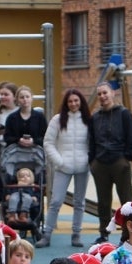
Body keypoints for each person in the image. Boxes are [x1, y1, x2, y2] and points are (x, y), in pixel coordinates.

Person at [40, 89, 91, 249]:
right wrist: (59, 161)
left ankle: (76, 234)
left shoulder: (88, 120)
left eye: (76, 101)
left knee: (79, 202)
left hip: (83, 166)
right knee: (55, 201)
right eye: (70, 101)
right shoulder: (57, 120)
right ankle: (47, 234)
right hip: (63, 166)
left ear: (81, 102)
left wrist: (89, 159)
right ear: (66, 103)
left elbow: (93, 142)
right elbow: (48, 142)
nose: (73, 104)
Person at [88, 82, 132, 243]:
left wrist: (126, 158)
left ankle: (127, 233)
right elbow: (91, 140)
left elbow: (131, 137)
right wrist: (92, 162)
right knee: (103, 201)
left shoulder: (124, 114)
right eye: (100, 94)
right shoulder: (95, 117)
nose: (102, 96)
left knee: (126, 201)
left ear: (112, 93)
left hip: (119, 161)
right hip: (100, 163)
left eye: (105, 93)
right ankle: (104, 232)